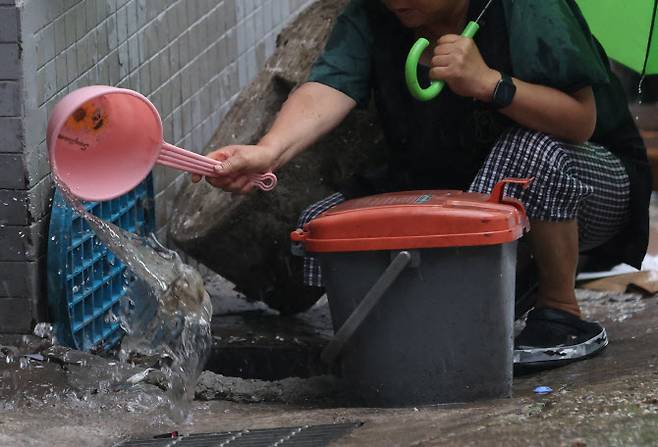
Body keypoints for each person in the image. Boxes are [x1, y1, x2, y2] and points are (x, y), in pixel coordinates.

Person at [192, 0, 651, 367]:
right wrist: (268, 151)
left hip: (588, 179)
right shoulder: (373, 13)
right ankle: (481, 298)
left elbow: (580, 120)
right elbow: (328, 86)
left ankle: (561, 310)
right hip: (452, 181)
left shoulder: (527, 8)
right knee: (325, 225)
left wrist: (490, 84)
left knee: (529, 155)